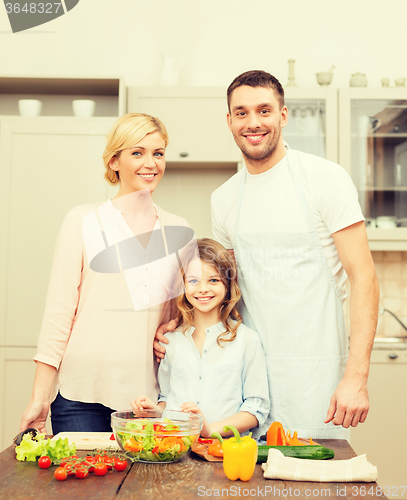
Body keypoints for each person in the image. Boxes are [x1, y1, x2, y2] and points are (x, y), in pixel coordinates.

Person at [155, 70, 379, 440]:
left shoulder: (323, 179)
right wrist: (178, 325)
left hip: (315, 378)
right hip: (242, 385)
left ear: (283, 115)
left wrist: (356, 376)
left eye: (264, 110)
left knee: (311, 488)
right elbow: (227, 288)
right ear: (229, 121)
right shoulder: (224, 198)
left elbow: (364, 278)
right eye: (241, 113)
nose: (253, 122)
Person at [20, 113, 192, 434]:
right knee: (81, 485)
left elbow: (183, 310)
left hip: (146, 399)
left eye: (158, 153)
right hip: (78, 395)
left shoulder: (179, 230)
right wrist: (40, 396)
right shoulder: (82, 220)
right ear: (114, 161)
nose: (150, 163)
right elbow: (59, 314)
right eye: (137, 152)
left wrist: (172, 329)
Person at [132, 238, 269, 438]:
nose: (203, 289)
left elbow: (257, 408)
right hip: (177, 449)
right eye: (193, 281)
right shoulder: (169, 341)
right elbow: (168, 397)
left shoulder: (247, 340)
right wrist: (154, 411)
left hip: (226, 452)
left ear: (228, 283)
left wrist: (209, 430)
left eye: (213, 280)